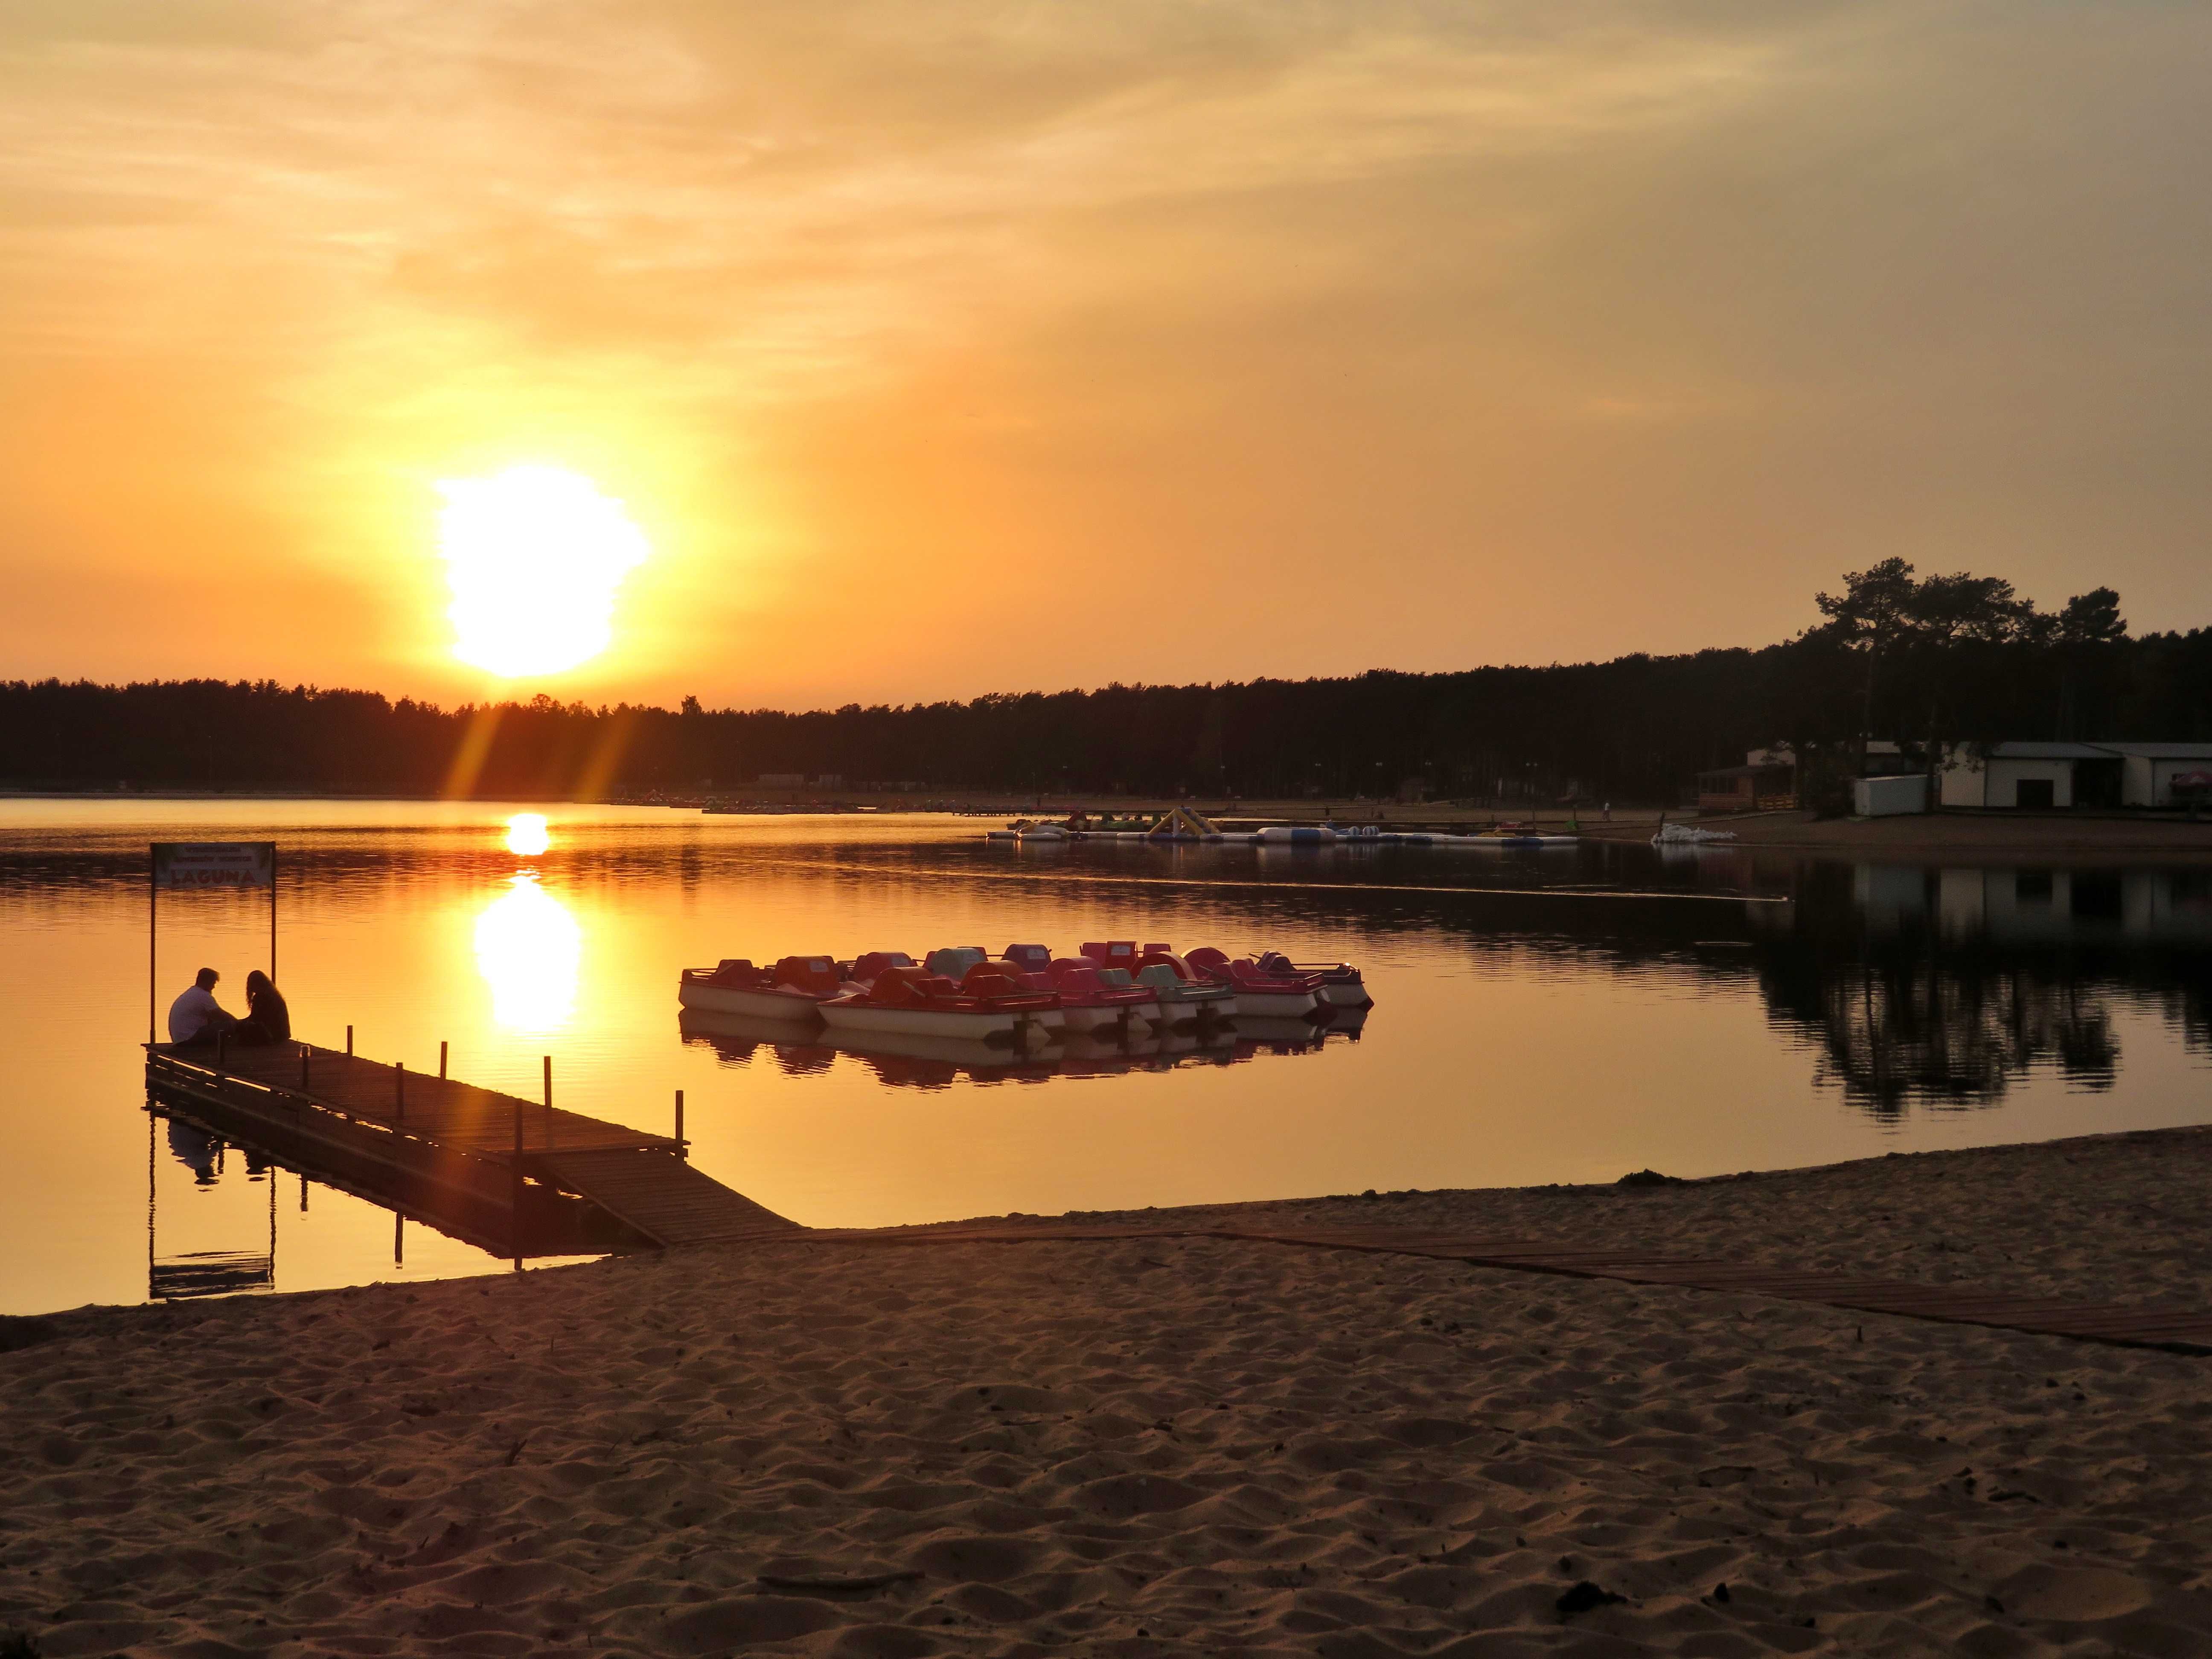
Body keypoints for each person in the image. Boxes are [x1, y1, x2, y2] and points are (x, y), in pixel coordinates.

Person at [166, 967, 237, 1045]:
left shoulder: (192, 993)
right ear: (206, 981)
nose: (214, 987)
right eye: (213, 983)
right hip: (189, 1039)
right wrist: (238, 1023)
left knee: (217, 1023)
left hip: (180, 1040)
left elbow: (213, 1018)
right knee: (230, 1025)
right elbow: (220, 1015)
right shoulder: (203, 995)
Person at [235, 969, 291, 1045]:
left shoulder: (260, 997)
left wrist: (238, 1023)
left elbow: (255, 1018)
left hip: (272, 1035)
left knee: (239, 1031)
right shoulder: (275, 995)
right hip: (283, 1035)